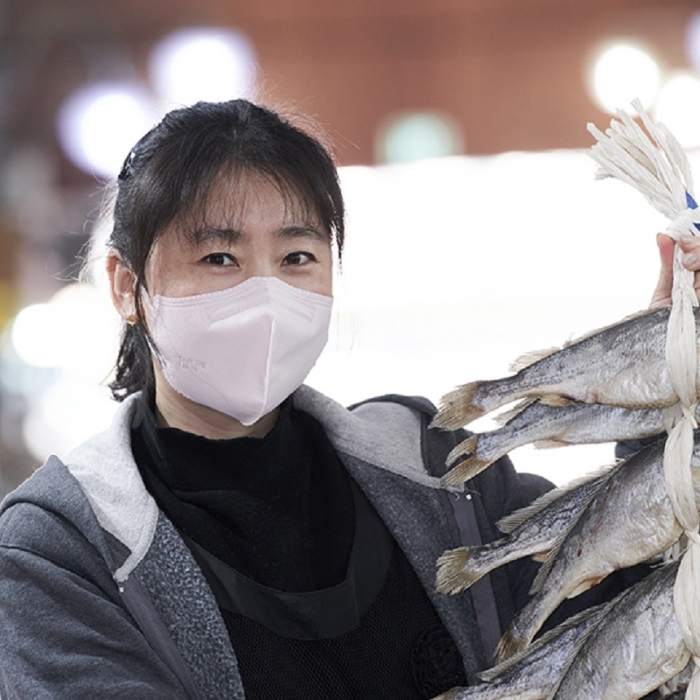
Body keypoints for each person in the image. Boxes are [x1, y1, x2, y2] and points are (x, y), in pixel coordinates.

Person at [0, 99, 696, 700]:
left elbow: (636, 603)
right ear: (127, 286)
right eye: (220, 258)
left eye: (297, 257)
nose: (265, 293)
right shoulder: (54, 553)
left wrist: (669, 395)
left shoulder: (436, 469)